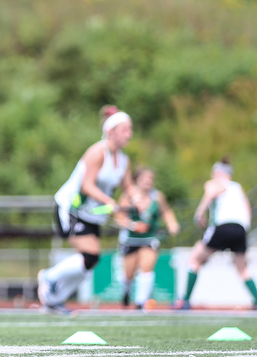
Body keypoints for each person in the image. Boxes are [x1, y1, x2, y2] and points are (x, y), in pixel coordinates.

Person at [38, 105, 145, 315]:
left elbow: (128, 185)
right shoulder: (98, 152)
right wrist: (110, 202)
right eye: (125, 130)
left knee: (91, 260)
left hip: (91, 215)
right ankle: (49, 278)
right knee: (90, 255)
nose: (129, 134)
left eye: (130, 129)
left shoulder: (123, 159)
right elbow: (87, 185)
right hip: (71, 208)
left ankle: (53, 300)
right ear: (111, 132)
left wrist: (138, 198)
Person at [173, 157, 256, 310]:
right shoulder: (238, 188)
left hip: (223, 227)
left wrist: (199, 213)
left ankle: (184, 300)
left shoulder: (217, 183)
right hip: (241, 229)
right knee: (242, 269)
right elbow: (247, 211)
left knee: (195, 259)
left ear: (218, 172)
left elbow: (211, 192)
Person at [114, 166, 180, 310]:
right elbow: (119, 218)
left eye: (150, 179)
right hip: (130, 240)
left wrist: (172, 224)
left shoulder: (157, 196)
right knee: (128, 275)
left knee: (146, 267)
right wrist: (133, 225)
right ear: (137, 180)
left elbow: (166, 212)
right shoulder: (128, 195)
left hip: (150, 239)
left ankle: (140, 302)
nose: (147, 182)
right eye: (144, 179)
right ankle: (127, 291)